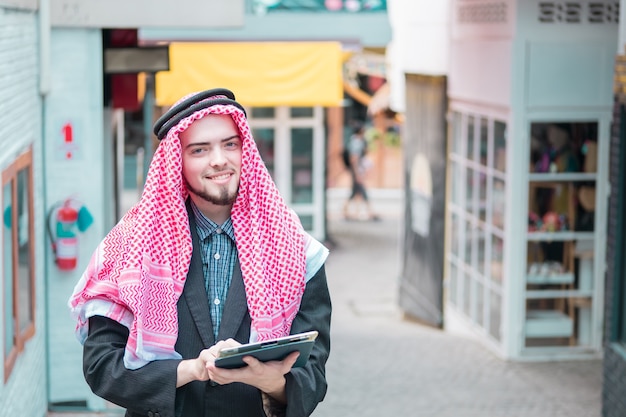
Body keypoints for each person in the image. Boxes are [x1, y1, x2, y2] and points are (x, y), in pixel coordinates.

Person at [68, 88, 332, 417]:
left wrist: (271, 381)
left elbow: (314, 376)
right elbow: (101, 367)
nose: (219, 159)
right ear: (175, 161)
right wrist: (192, 370)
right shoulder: (132, 246)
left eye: (229, 144)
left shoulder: (295, 248)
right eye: (199, 149)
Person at [342, 123, 378, 221]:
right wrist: (357, 173)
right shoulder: (357, 142)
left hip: (356, 170)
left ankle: (346, 211)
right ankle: (371, 212)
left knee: (355, 191)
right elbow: (354, 158)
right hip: (357, 171)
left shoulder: (353, 140)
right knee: (361, 190)